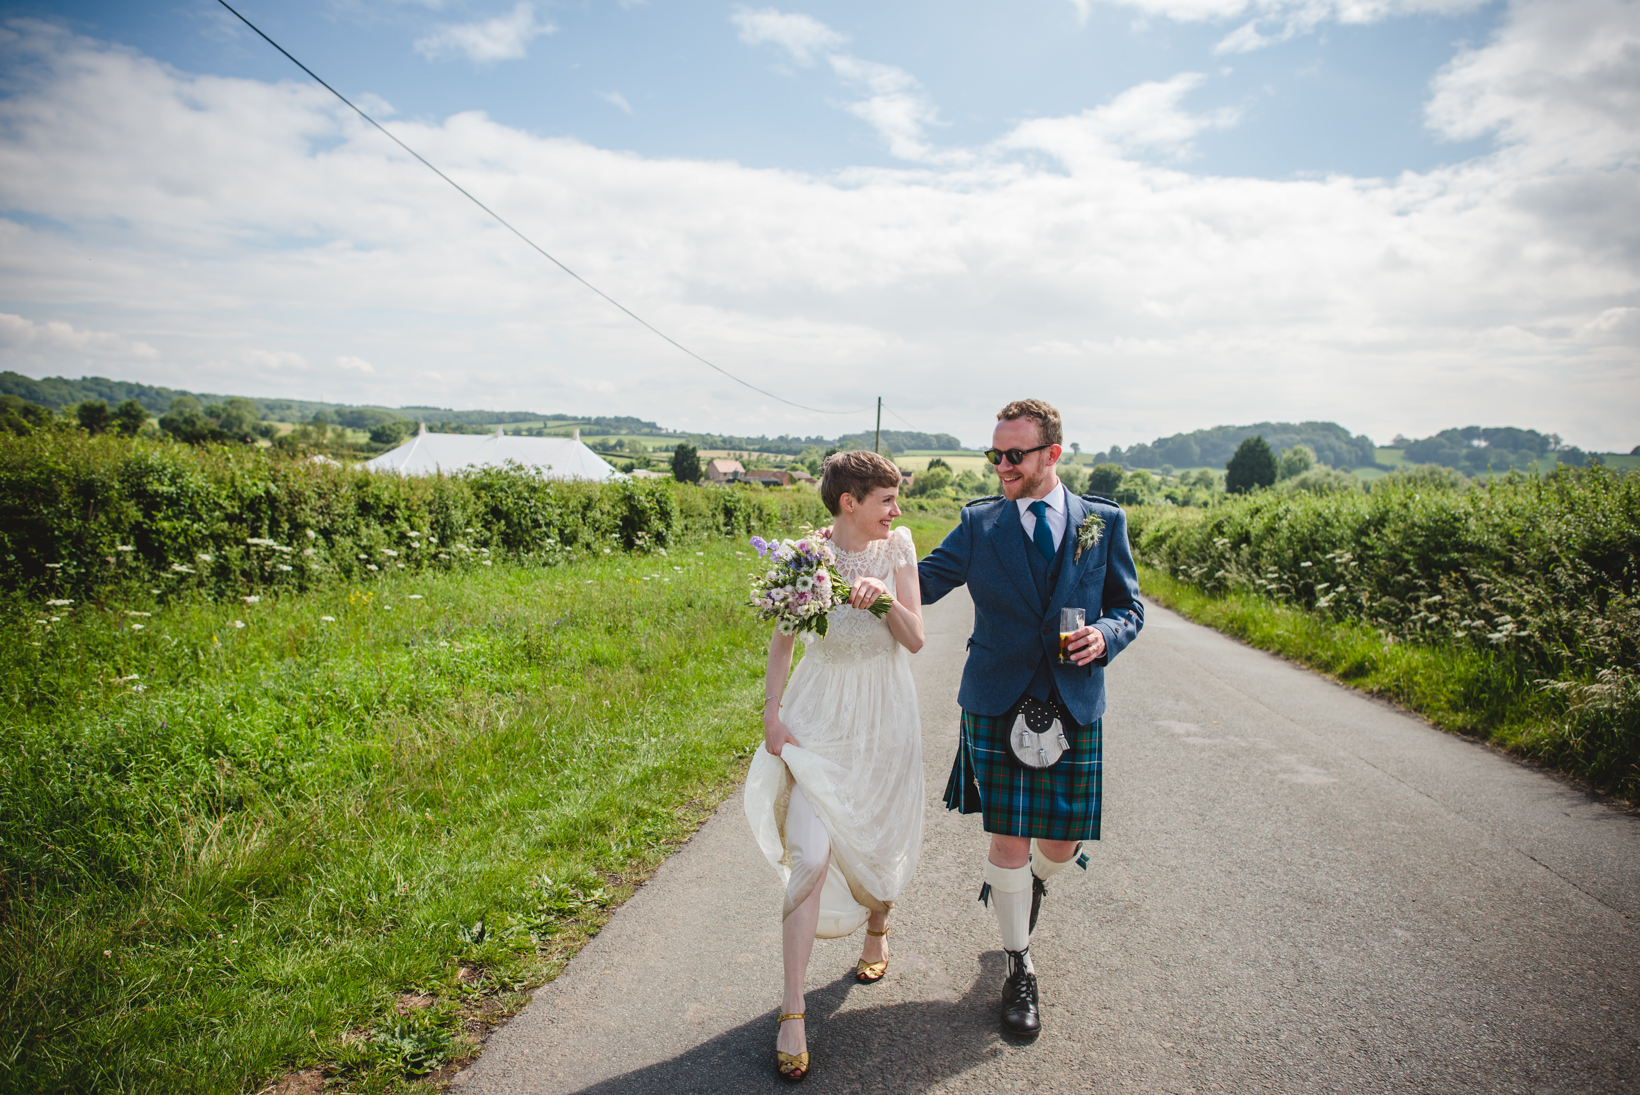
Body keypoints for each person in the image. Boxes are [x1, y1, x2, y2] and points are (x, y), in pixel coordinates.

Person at [917, 398, 1143, 1039]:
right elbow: (924, 581)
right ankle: (1020, 965)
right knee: (1007, 841)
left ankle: (1033, 883)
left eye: (1015, 454)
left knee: (1058, 846)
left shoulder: (1103, 520)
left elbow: (1129, 607)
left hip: (1072, 702)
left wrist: (1105, 635)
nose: (1002, 466)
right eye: (995, 454)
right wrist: (854, 558)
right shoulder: (979, 523)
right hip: (995, 696)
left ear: (1052, 454)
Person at [743, 450, 927, 1083]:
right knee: (812, 855)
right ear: (850, 502)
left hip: (882, 716)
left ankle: (878, 923)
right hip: (818, 715)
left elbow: (916, 638)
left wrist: (880, 604)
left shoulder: (898, 547)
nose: (897, 511)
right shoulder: (807, 556)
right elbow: (784, 640)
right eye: (887, 500)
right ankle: (792, 1009)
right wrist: (771, 715)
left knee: (874, 834)